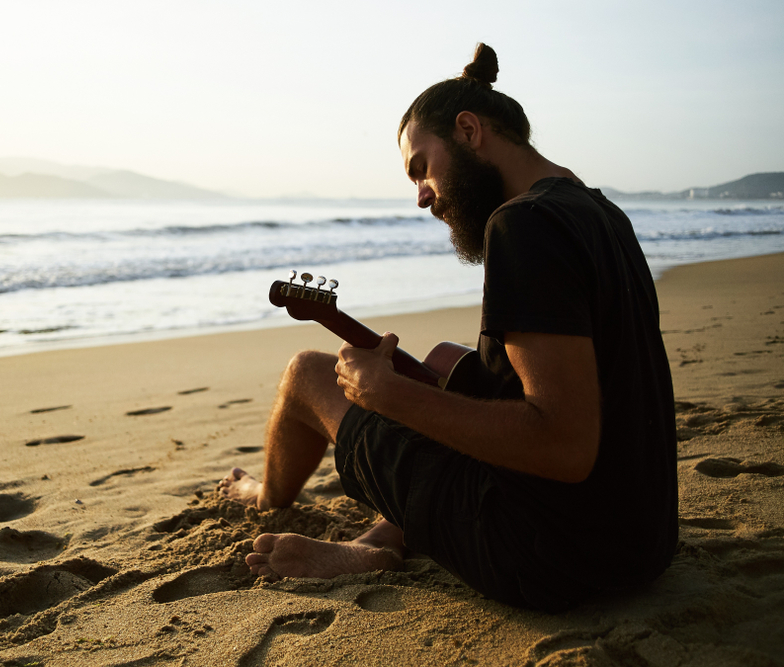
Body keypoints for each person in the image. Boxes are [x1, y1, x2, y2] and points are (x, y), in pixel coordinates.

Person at [219, 43, 678, 611]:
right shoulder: (601, 213)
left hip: (548, 559)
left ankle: (263, 494)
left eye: (422, 168)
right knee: (449, 380)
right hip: (641, 543)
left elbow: (565, 445)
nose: (421, 197)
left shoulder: (522, 226)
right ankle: (380, 540)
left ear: (468, 130)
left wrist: (388, 393)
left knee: (309, 373)